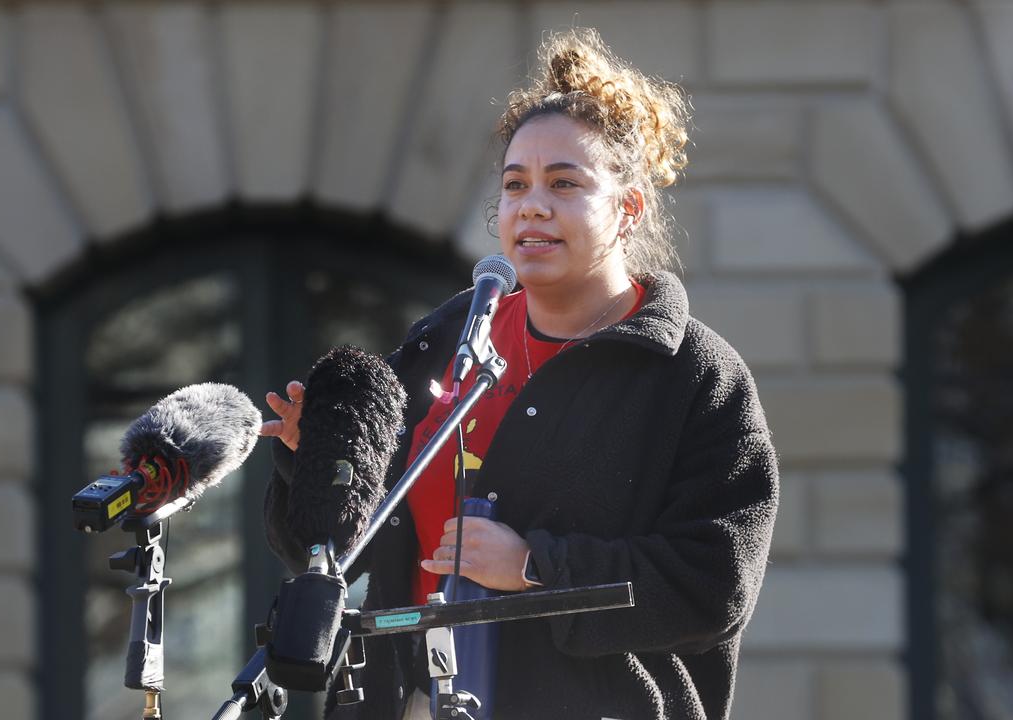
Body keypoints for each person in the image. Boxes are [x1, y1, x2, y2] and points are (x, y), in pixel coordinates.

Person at [261, 28, 778, 720]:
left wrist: (535, 567)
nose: (531, 205)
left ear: (628, 209)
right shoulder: (447, 339)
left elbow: (714, 583)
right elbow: (338, 552)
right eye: (515, 185)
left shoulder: (696, 376)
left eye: (564, 184)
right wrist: (316, 466)